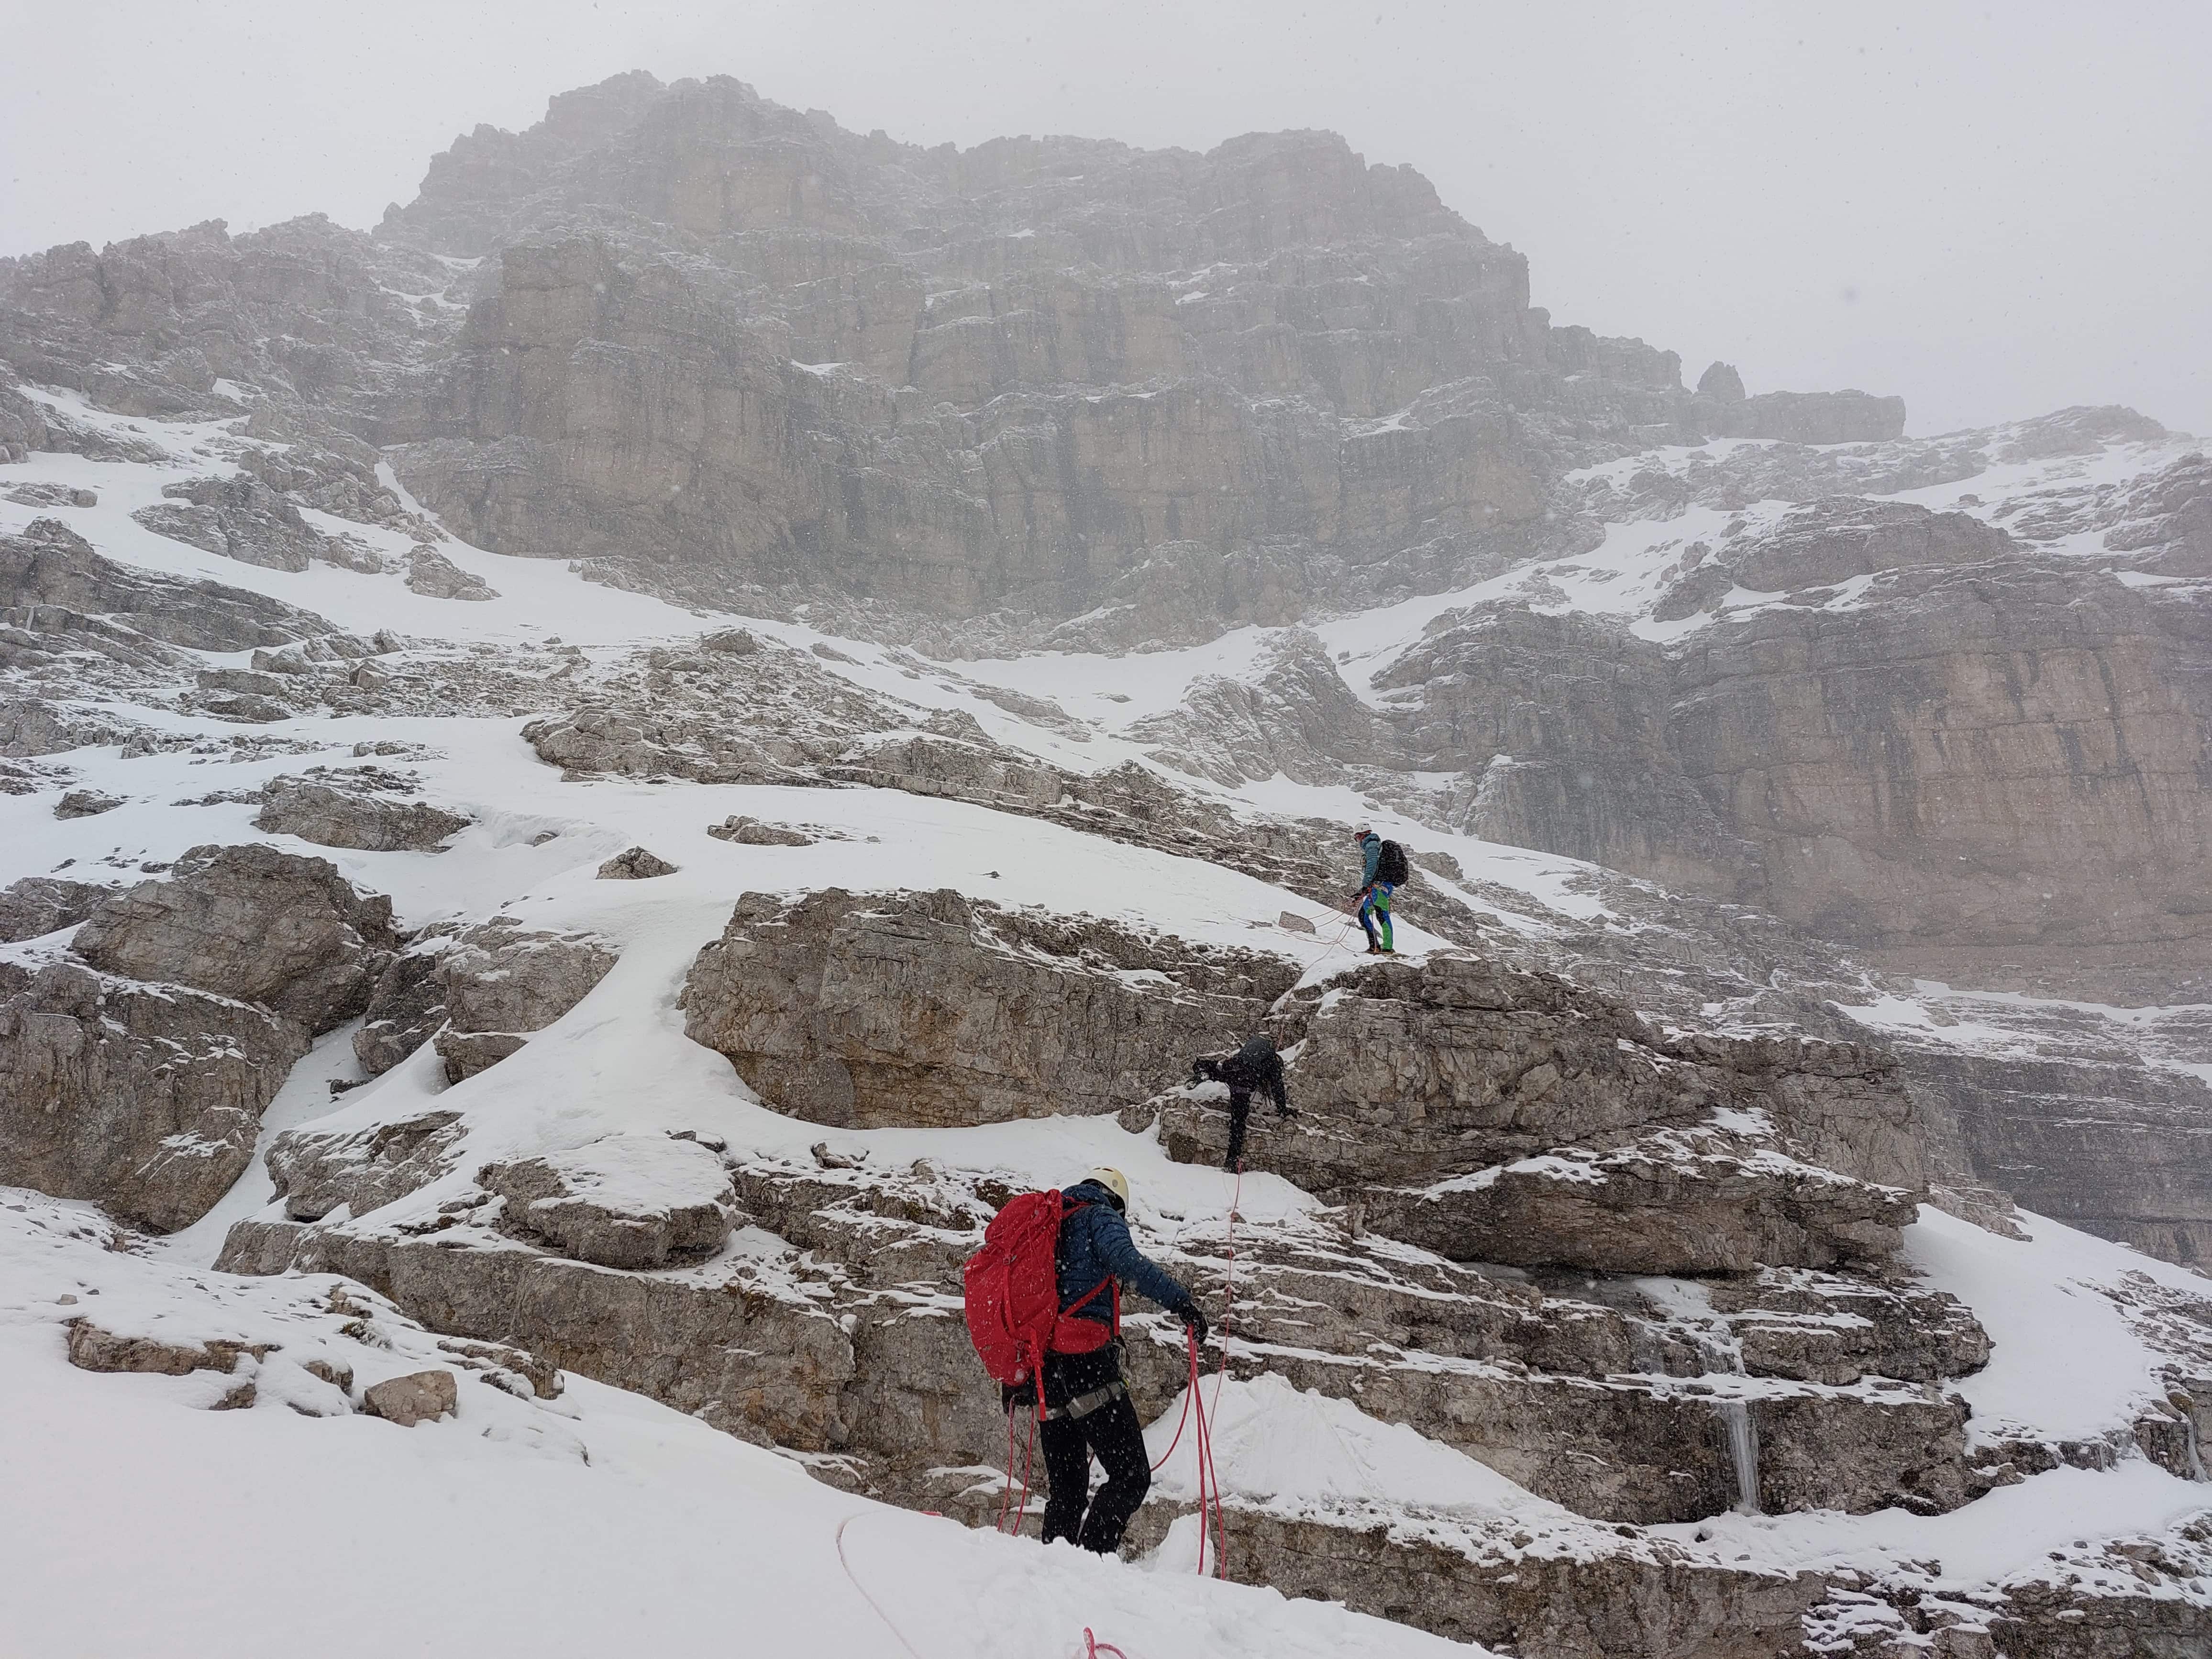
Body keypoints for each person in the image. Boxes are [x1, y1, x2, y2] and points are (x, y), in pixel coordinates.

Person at [1009, 1167, 1206, 1556]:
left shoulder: (1052, 1221)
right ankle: (1092, 1561)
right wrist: (1182, 1303)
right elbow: (1128, 1264)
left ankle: (1054, 1568)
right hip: (1087, 1364)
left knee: (1067, 1489)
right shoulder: (1099, 1216)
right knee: (1131, 1476)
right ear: (1116, 1200)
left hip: (1046, 1371)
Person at [1191, 1035, 1294, 1170]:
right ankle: (1232, 1161)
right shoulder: (1272, 1064)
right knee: (1238, 1123)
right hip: (1244, 1082)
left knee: (1219, 1071)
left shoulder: (1250, 1052)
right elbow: (1277, 1087)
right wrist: (1283, 1109)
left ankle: (1204, 1071)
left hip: (1232, 1066)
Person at [1353, 825, 1395, 955]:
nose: (1357, 841)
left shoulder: (1371, 846)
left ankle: (1384, 947)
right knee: (1372, 915)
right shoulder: (1376, 845)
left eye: (1356, 838)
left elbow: (1372, 865)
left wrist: (1365, 885)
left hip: (1379, 888)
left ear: (1361, 835)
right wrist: (1363, 891)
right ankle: (1378, 946)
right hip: (1381, 887)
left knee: (1380, 915)